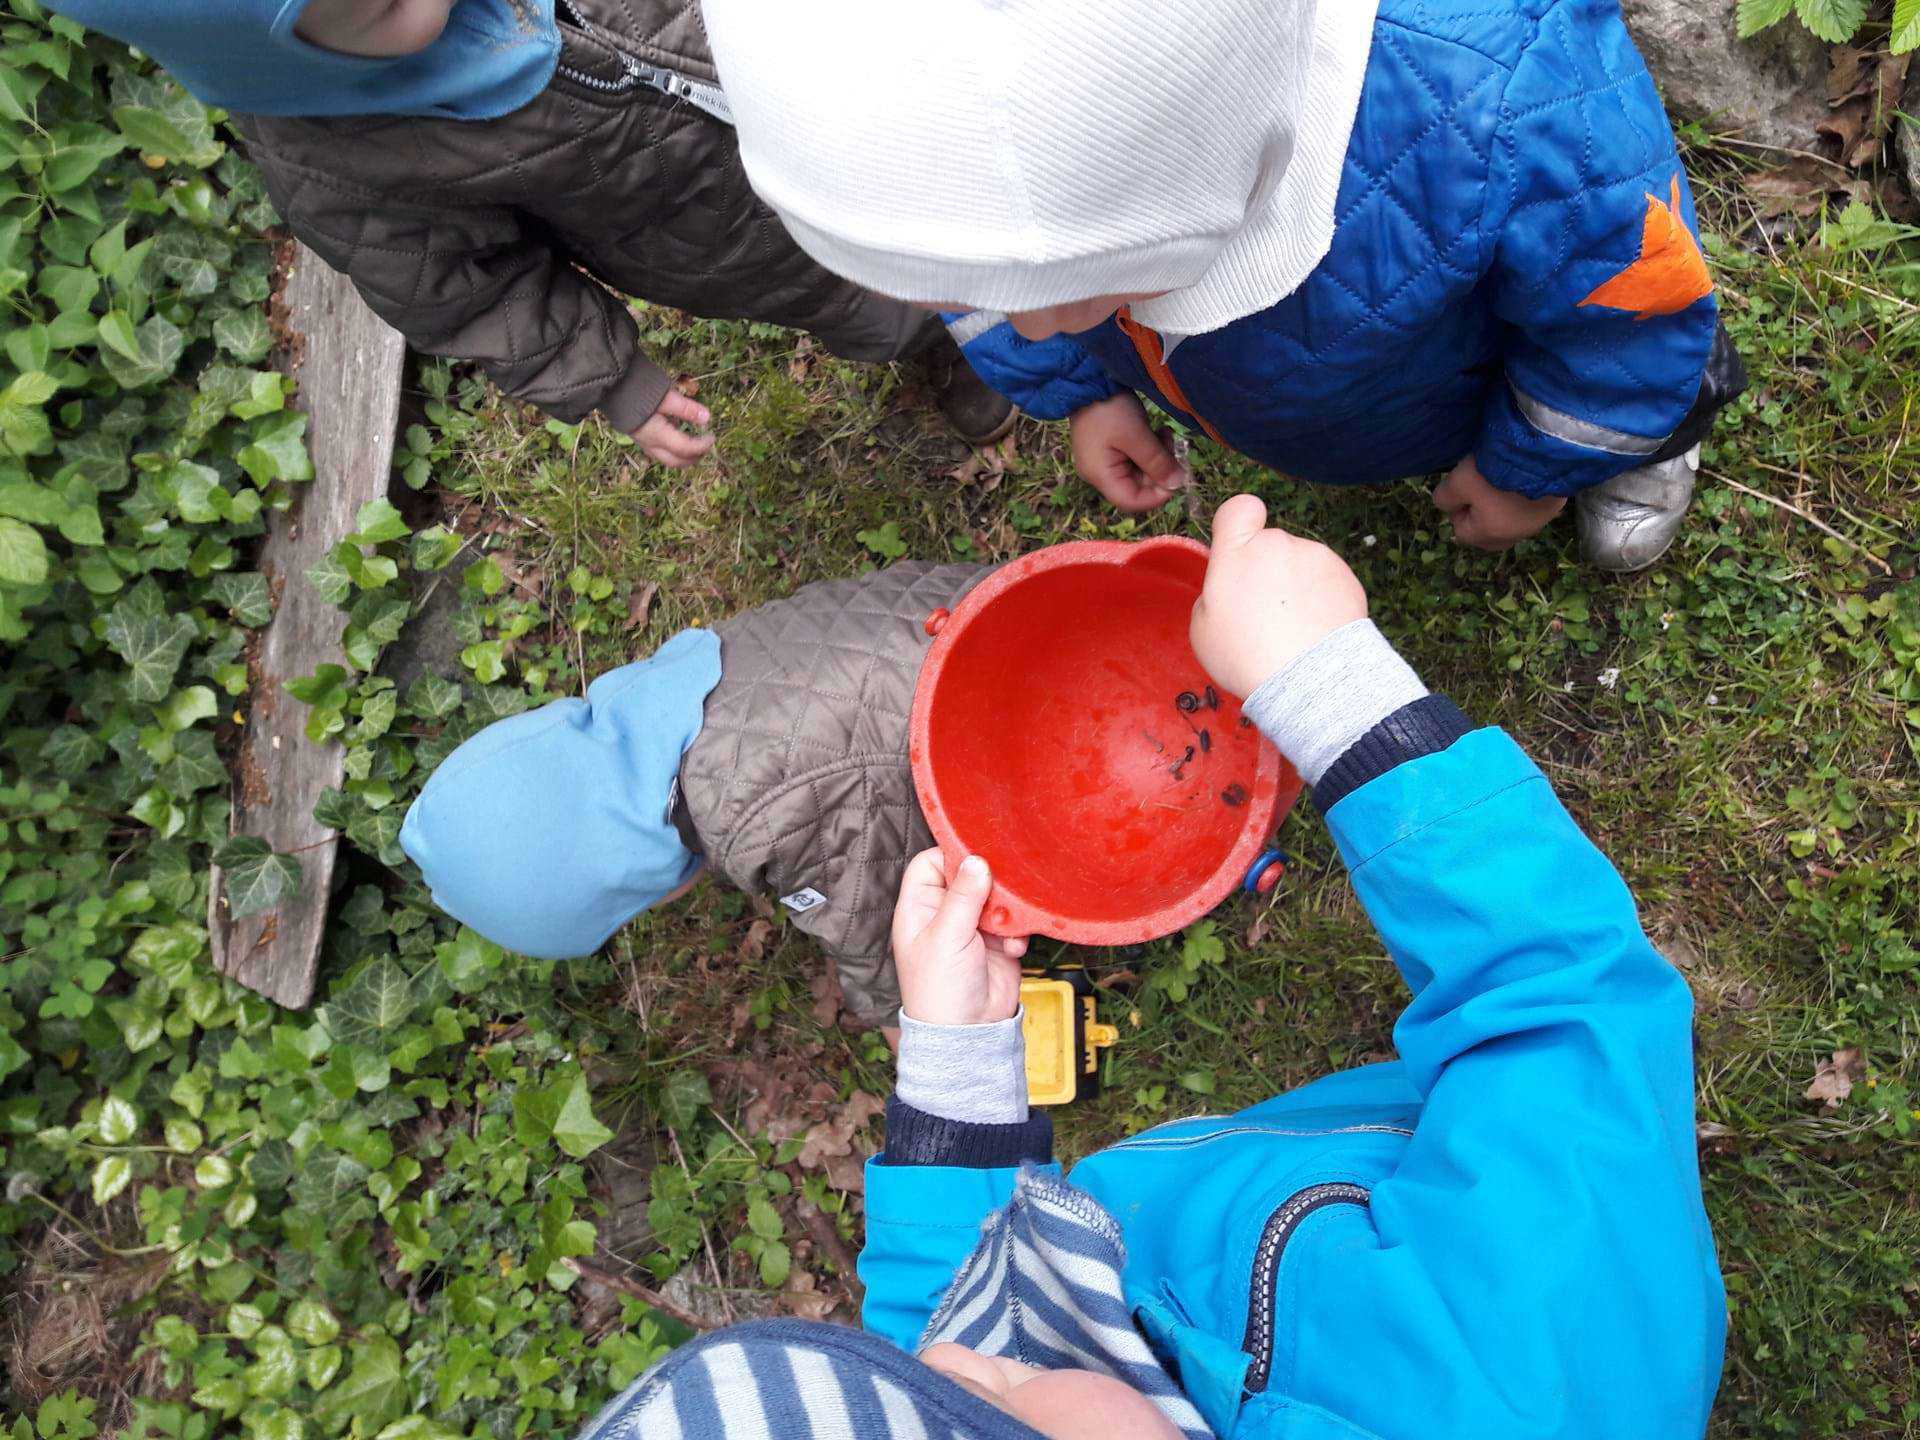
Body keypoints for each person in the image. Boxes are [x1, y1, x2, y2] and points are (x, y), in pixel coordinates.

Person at [570, 494, 1726, 1439]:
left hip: (1288, 1197)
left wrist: (960, 1073)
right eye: (990, 1411)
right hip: (1500, 1189)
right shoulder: (1533, 1376)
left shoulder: (993, 1374)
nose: (976, 1365)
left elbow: (954, 1323)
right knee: (1524, 1115)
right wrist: (1335, 692)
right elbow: (1563, 1009)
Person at [696, 0, 1747, 571]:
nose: (1019, 321)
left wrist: (1531, 466)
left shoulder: (1504, 105)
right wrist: (1080, 382)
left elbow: (1626, 320)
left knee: (1639, 376)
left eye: (1087, 286)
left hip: (1495, 356)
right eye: (953, 288)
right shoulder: (958, 180)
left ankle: (1630, 453)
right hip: (1333, 391)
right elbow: (1006, 280)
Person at [49, 0, 1016, 465]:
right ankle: (956, 348)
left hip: (832, 60)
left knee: (963, 134)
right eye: (370, 5)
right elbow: (474, 291)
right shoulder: (332, 156)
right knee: (864, 300)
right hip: (736, 238)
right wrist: (616, 383)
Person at [398, 559, 1000, 1026]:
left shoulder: (758, 814)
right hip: (998, 601)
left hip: (1046, 728)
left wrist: (903, 1025)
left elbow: (875, 920)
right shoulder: (702, 674)